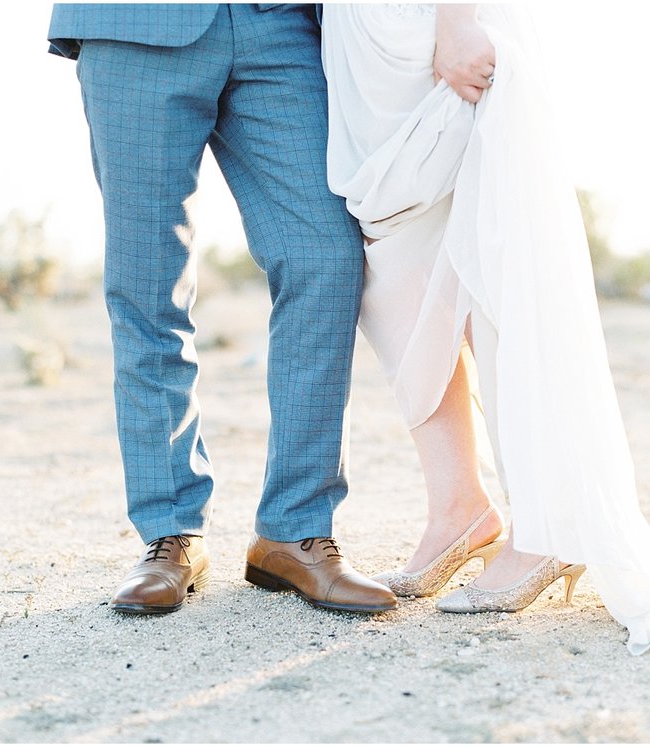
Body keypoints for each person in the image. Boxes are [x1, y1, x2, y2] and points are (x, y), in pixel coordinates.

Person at [321, 3, 650, 655]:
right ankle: (458, 508)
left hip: (425, 25)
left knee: (492, 267)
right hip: (365, 41)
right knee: (402, 279)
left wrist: (455, 18)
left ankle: (546, 525)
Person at [47, 3, 396, 614]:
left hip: (279, 23)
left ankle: (295, 530)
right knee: (147, 287)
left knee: (325, 256)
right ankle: (170, 531)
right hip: (133, 25)